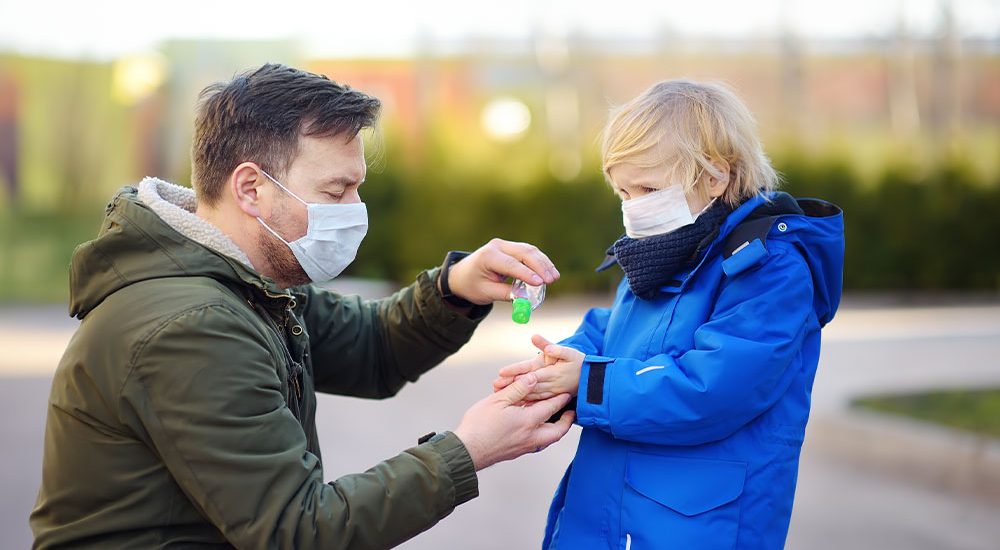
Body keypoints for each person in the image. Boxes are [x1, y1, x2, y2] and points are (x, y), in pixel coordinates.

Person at [29, 63, 576, 549]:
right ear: (251, 189)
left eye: (357, 189)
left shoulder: (244, 281)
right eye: (336, 193)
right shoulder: (192, 326)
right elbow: (299, 530)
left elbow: (372, 348)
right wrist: (467, 450)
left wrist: (455, 286)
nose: (355, 211)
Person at [494, 79, 845, 549]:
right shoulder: (666, 249)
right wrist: (560, 364)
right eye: (623, 192)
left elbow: (715, 388)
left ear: (716, 176)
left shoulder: (770, 269)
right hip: (612, 513)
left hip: (696, 523)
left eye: (648, 188)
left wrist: (589, 382)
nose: (634, 207)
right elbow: (615, 332)